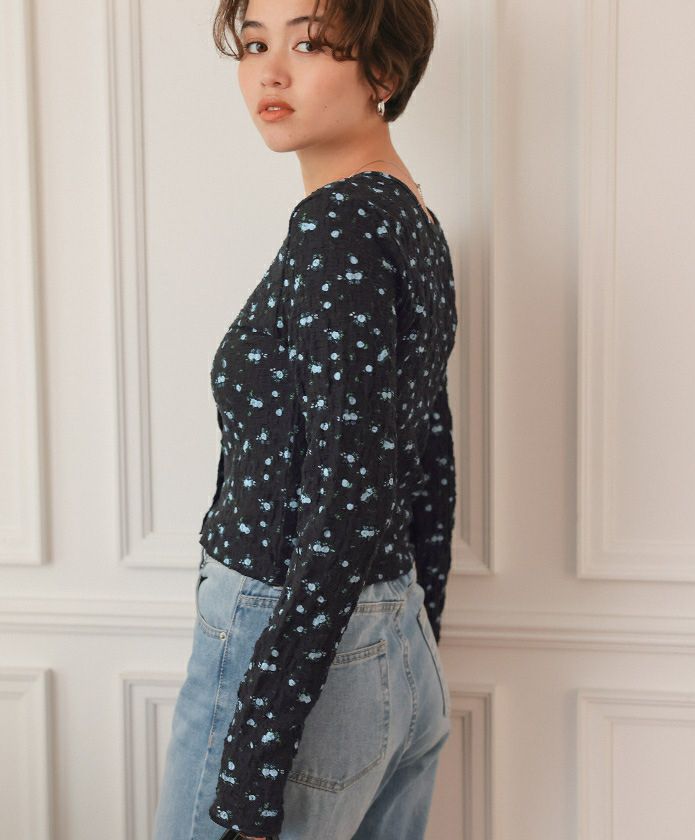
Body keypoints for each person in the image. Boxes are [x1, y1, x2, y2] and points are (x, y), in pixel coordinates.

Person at [153, 0, 457, 838]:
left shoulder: (338, 226)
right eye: (255, 44)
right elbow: (428, 454)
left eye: (312, 44)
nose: (271, 71)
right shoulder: (411, 216)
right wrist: (412, 630)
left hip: (288, 639)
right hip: (390, 640)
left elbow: (353, 489)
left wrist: (258, 752)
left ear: (384, 71)